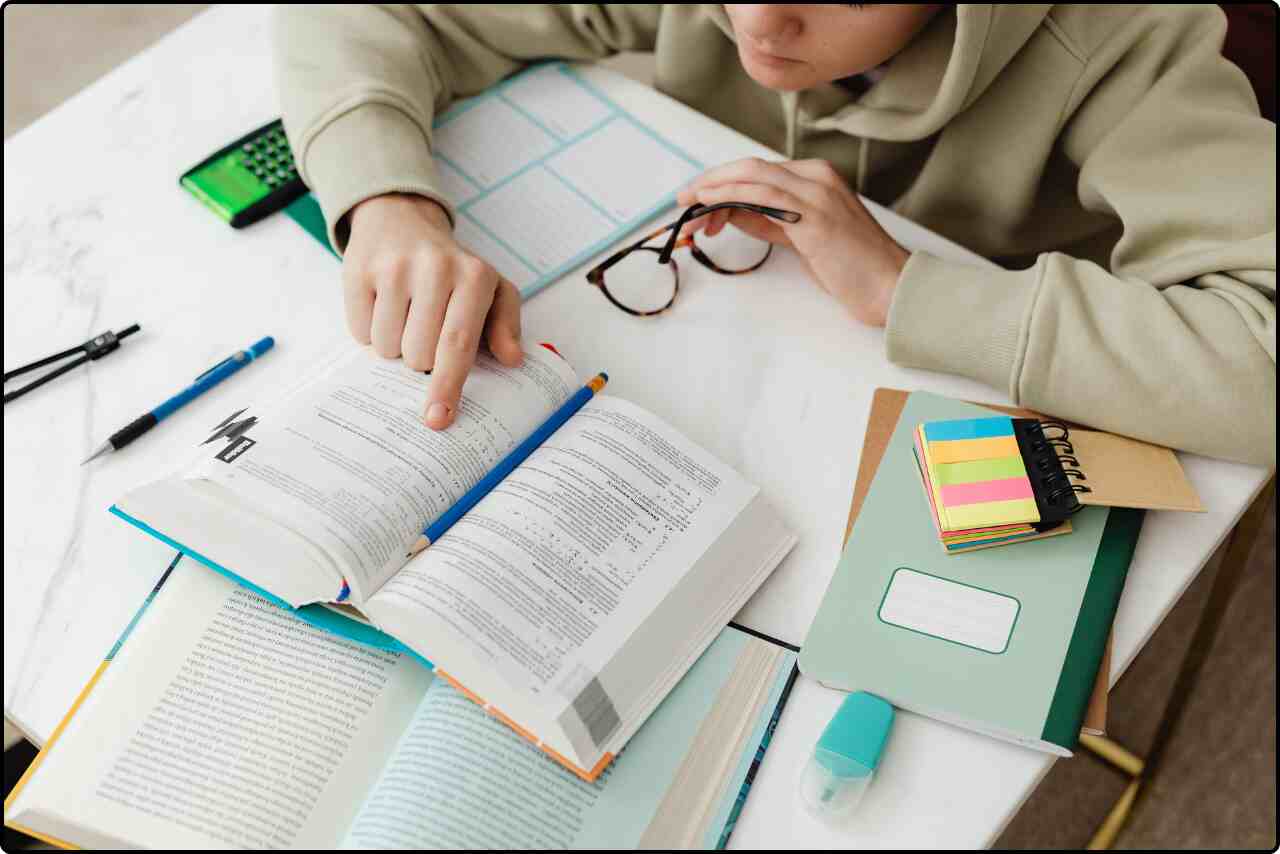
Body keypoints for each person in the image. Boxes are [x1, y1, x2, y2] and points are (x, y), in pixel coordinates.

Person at [274, 4, 1275, 466]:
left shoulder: (1128, 36)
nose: (757, 21)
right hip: (726, 387)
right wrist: (386, 202)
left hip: (986, 425)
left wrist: (902, 287)